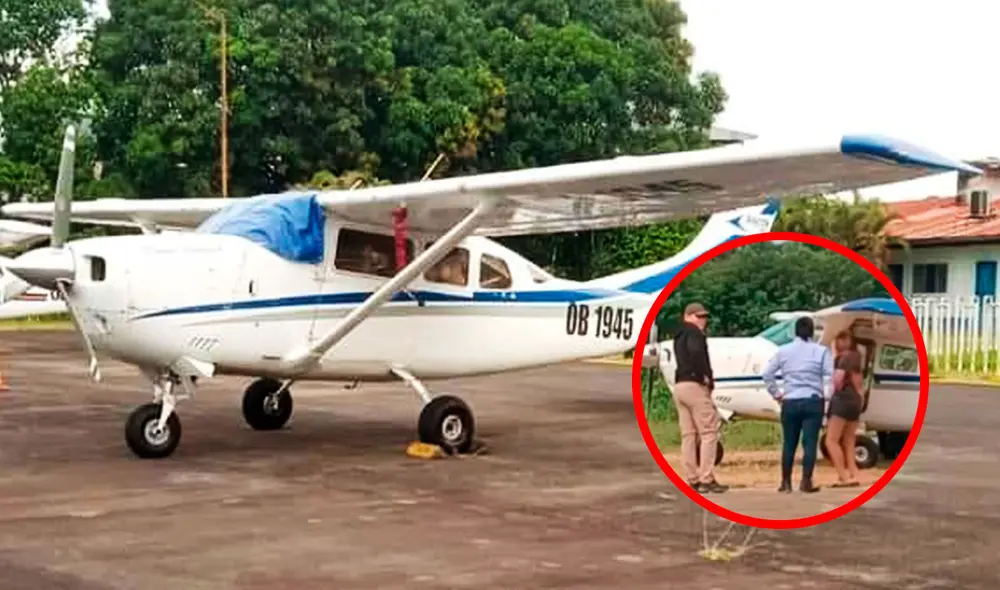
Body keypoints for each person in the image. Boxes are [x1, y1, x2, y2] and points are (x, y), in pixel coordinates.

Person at [761, 316, 834, 494]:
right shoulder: (821, 351)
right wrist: (826, 398)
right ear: (811, 332)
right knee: (809, 443)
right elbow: (830, 377)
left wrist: (777, 394)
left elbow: (767, 374)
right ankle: (806, 481)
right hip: (812, 400)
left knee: (789, 443)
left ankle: (785, 482)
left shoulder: (783, 351)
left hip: (791, 400)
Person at [672, 302, 728, 494]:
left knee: (688, 435)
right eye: (699, 316)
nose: (703, 320)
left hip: (679, 385)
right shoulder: (695, 333)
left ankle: (692, 478)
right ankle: (706, 478)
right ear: (688, 316)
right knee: (709, 432)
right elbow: (697, 353)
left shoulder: (678, 335)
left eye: (704, 317)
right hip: (694, 385)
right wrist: (706, 375)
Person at [824, 330, 865, 487]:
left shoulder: (843, 359)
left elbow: (838, 381)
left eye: (841, 338)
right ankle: (854, 472)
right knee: (849, 440)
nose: (838, 341)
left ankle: (843, 476)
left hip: (842, 400)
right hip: (855, 401)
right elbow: (859, 383)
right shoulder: (856, 357)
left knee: (831, 440)